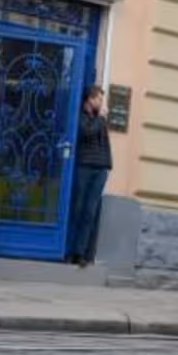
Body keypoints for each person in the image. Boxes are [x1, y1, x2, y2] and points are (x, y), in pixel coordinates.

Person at [67, 85, 112, 267]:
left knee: (90, 212)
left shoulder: (99, 119)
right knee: (78, 209)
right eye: (99, 99)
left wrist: (107, 165)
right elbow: (87, 132)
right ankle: (69, 250)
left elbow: (104, 142)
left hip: (100, 168)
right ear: (90, 99)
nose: (102, 103)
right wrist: (100, 118)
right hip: (84, 166)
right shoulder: (81, 117)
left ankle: (81, 253)